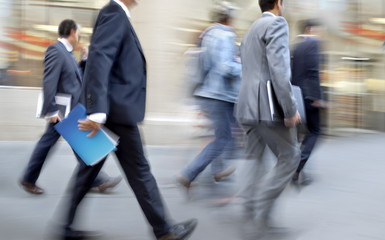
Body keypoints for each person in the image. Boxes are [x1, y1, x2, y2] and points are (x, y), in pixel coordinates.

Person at [59, 1, 197, 240]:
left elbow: (104, 59)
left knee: (89, 171)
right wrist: (97, 111)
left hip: (112, 111)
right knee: (139, 171)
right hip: (114, 112)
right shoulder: (114, 13)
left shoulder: (118, 15)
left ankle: (64, 229)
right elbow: (100, 59)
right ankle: (164, 231)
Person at [19, 19, 122, 195]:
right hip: (61, 111)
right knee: (55, 143)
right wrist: (50, 110)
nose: (79, 37)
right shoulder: (56, 50)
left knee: (78, 143)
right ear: (73, 32)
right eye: (79, 33)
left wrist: (83, 60)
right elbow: (49, 81)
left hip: (71, 110)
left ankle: (95, 180)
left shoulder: (66, 53)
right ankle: (29, 179)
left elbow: (75, 79)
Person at [235, 0, 301, 238]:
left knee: (253, 156)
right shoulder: (277, 25)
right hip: (268, 106)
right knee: (290, 156)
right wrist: (290, 108)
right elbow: (280, 70)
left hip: (246, 104)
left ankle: (250, 207)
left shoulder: (251, 29)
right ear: (278, 4)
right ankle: (262, 203)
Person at [177, 1, 241, 190]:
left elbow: (206, 65)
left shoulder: (208, 34)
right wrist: (243, 66)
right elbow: (225, 66)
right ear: (229, 19)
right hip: (220, 94)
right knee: (223, 138)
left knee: (220, 135)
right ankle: (189, 174)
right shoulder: (225, 35)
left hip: (208, 93)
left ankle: (217, 171)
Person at [291, 19, 325, 185]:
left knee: (297, 134)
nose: (319, 32)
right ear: (310, 29)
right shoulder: (312, 44)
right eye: (317, 29)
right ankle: (297, 168)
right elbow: (313, 72)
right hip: (309, 95)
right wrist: (317, 97)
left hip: (296, 94)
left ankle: (296, 168)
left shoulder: (296, 46)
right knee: (315, 131)